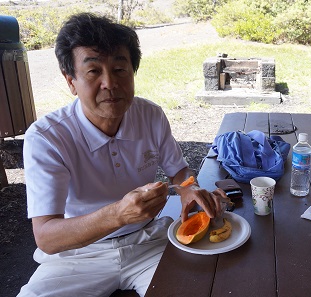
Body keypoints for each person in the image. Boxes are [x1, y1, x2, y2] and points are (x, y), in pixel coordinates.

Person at [18, 13, 226, 296]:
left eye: (119, 69)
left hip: (150, 240)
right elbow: (47, 238)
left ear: (132, 72)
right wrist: (118, 214)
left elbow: (179, 173)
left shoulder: (150, 115)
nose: (110, 83)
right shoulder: (47, 137)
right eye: (93, 71)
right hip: (78, 255)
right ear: (71, 81)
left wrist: (190, 190)